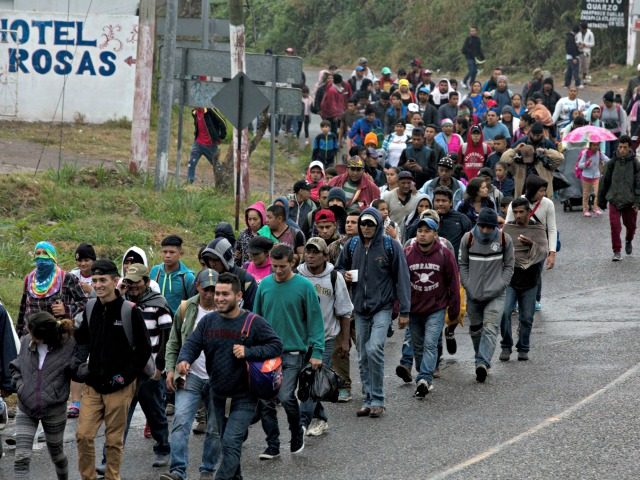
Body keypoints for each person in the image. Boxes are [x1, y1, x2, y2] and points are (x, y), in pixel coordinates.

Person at [175, 273, 282, 479]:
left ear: (239, 295)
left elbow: (276, 345)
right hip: (217, 395)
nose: (219, 298)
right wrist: (184, 359)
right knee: (227, 444)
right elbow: (192, 343)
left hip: (244, 396)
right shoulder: (208, 321)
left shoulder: (253, 322)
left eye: (225, 294)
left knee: (231, 442)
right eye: (217, 293)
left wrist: (248, 352)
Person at [73, 259, 152, 480]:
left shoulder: (129, 311)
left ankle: (112, 477)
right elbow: (82, 341)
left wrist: (125, 377)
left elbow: (143, 350)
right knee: (83, 435)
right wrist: (77, 365)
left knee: (113, 440)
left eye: (103, 280)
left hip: (120, 386)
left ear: (115, 281)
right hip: (93, 385)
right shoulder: (91, 307)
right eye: (95, 280)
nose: (98, 285)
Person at [336, 208, 411, 417]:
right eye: (363, 224)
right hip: (359, 309)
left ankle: (378, 399)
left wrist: (405, 310)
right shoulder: (352, 245)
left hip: (383, 307)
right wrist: (344, 275)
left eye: (370, 224)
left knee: (375, 349)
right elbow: (338, 268)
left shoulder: (391, 246)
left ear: (378, 225)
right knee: (362, 354)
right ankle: (368, 398)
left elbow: (402, 278)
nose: (366, 228)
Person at [255, 244, 324, 459]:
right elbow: (255, 318)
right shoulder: (264, 286)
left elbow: (315, 321)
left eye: (282, 266)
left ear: (292, 262)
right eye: (274, 266)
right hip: (267, 352)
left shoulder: (304, 287)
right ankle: (272, 445)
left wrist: (317, 352)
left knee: (285, 396)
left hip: (294, 352)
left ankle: (296, 431)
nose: (278, 271)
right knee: (266, 400)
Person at [161, 269, 221, 480]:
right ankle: (178, 470)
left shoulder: (228, 309)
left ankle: (207, 470)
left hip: (218, 380)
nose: (211, 294)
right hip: (190, 377)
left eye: (215, 289)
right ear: (197, 287)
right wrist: (171, 369)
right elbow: (174, 341)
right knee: (180, 424)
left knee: (214, 429)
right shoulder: (186, 308)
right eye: (207, 289)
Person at [114, 264, 172, 469]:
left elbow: (167, 337)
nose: (133, 286)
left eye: (136, 282)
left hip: (150, 371)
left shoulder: (158, 304)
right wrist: (118, 295)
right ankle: (109, 458)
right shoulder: (122, 304)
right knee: (120, 416)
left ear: (146, 282)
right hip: (127, 371)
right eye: (128, 282)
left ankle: (163, 449)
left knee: (155, 413)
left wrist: (160, 368)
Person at [11, 312, 77, 480]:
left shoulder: (68, 344)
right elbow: (17, 366)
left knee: (57, 455)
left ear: (45, 335)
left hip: (54, 410)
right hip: (25, 407)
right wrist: (20, 386)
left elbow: (77, 371)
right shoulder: (26, 341)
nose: (29, 335)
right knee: (21, 457)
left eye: (32, 333)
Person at [297, 238, 353, 435]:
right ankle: (320, 418)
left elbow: (345, 312)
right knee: (304, 381)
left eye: (316, 252)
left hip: (326, 338)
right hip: (300, 339)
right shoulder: (297, 276)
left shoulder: (334, 278)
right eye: (308, 252)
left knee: (313, 379)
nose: (311, 256)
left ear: (325, 255)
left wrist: (345, 341)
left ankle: (302, 424)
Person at [402, 214, 460, 397]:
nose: (422, 235)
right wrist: (400, 307)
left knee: (430, 343)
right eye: (420, 231)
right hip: (414, 308)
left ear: (435, 234)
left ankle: (424, 378)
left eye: (427, 231)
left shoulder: (444, 254)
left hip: (436, 307)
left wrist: (454, 308)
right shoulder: (408, 253)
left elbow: (453, 282)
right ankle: (422, 371)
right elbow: (401, 281)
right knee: (418, 346)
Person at [459, 208, 514, 382]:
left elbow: (509, 266)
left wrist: (501, 284)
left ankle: (481, 363)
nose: (485, 231)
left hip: (496, 294)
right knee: (476, 329)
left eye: (489, 227)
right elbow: (463, 264)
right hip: (473, 294)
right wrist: (468, 285)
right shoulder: (468, 239)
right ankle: (480, 357)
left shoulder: (505, 240)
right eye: (482, 226)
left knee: (490, 328)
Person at [500, 198, 549, 362]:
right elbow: (500, 250)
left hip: (530, 280)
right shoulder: (508, 229)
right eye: (516, 212)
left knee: (527, 317)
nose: (519, 215)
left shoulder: (538, 228)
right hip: (511, 279)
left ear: (529, 212)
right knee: (505, 312)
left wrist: (531, 244)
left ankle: (523, 347)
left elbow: (543, 251)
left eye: (522, 212)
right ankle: (506, 345)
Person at [16, 241, 87, 338]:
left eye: (45, 253)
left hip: (56, 337)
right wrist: (18, 335)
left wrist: (66, 309)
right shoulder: (29, 279)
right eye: (38, 253)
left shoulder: (66, 278)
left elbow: (84, 302)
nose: (41, 256)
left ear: (53, 256)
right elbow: (23, 309)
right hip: (30, 336)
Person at [597, 135, 640, 261]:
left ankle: (628, 240)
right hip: (614, 199)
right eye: (620, 147)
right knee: (615, 226)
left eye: (624, 147)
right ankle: (617, 251)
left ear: (629, 148)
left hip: (630, 201)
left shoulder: (635, 163)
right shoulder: (612, 162)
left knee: (630, 226)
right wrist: (601, 200)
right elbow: (604, 181)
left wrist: (637, 201)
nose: (621, 150)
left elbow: (639, 183)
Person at [200, 238, 258, 311]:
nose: (212, 263)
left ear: (226, 258)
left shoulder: (246, 280)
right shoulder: (205, 277)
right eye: (209, 259)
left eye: (215, 259)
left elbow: (254, 311)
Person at [150, 235, 196, 315]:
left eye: (172, 252)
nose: (167, 255)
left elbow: (193, 305)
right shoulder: (155, 271)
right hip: (155, 321)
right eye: (165, 252)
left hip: (177, 325)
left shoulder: (188, 277)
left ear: (180, 254)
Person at [433, 186, 473, 260]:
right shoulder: (427, 218)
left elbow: (470, 244)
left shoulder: (461, 219)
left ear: (451, 203)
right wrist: (432, 217)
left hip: (455, 265)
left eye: (444, 201)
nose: (440, 204)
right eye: (437, 201)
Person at [187, 108, 223, 184]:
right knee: (191, 162)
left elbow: (222, 122)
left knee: (217, 166)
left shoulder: (210, 111)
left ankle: (222, 183)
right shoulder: (194, 112)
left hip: (210, 145)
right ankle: (189, 181)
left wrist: (220, 136)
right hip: (198, 143)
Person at [577, 142, 609, 216]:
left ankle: (596, 208)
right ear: (590, 145)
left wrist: (614, 161)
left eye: (597, 145)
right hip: (586, 176)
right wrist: (586, 163)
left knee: (597, 193)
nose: (596, 147)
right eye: (594, 145)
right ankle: (585, 210)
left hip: (596, 176)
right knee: (586, 195)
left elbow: (607, 159)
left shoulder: (599, 153)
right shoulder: (586, 153)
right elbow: (580, 165)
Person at [235, 201, 267, 267]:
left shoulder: (266, 234)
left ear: (262, 219)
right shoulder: (243, 234)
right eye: (249, 219)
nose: (252, 222)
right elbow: (237, 253)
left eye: (255, 219)